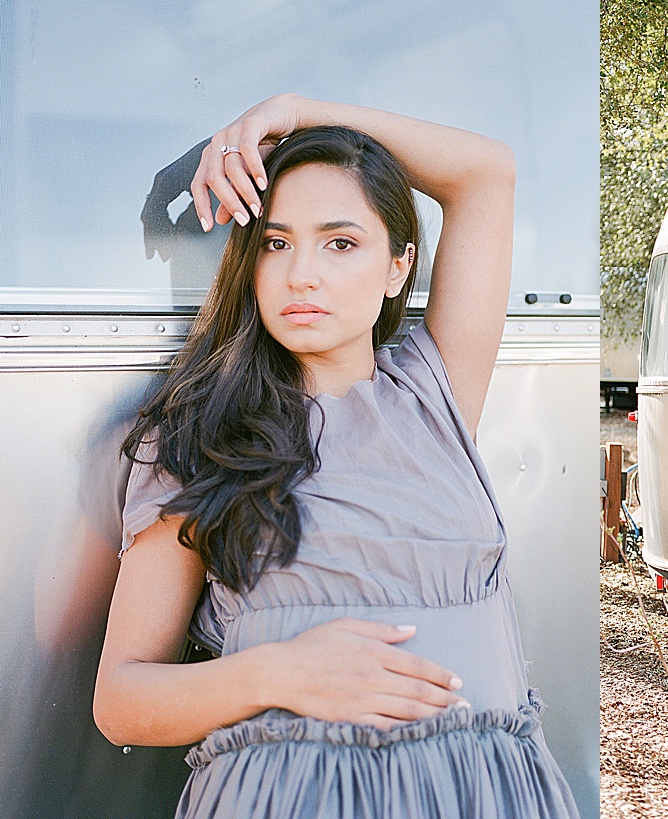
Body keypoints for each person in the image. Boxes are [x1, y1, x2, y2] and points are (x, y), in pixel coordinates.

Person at [93, 94, 579, 818]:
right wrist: (279, 672)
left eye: (340, 242)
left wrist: (294, 110)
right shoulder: (197, 436)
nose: (301, 274)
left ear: (397, 266)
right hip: (288, 798)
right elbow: (121, 700)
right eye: (276, 242)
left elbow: (486, 171)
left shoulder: (432, 392)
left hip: (482, 794)